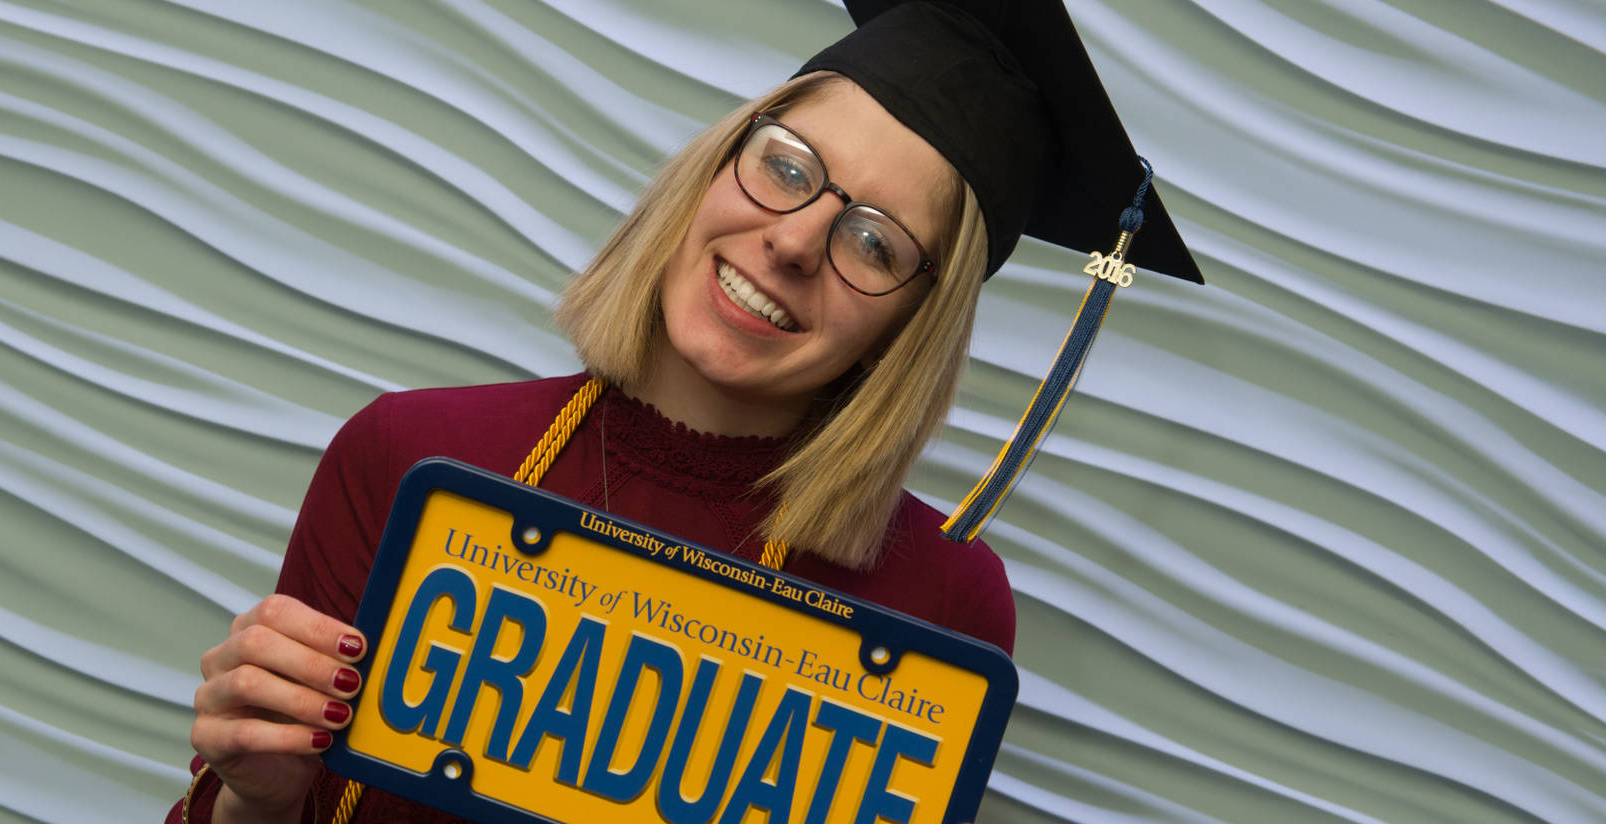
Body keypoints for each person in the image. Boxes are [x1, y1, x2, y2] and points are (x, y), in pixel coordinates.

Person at [169, 1, 1201, 821]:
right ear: (718, 164)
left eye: (877, 242)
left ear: (914, 327)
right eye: (788, 167)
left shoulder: (941, 605)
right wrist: (255, 806)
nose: (795, 242)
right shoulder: (409, 457)